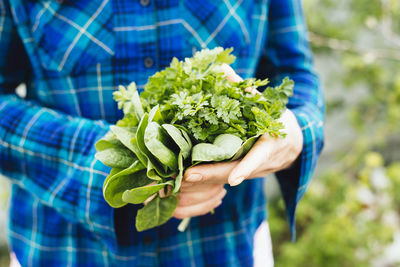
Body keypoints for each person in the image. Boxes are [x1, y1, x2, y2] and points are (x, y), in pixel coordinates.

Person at [0, 0, 324, 266]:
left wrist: (296, 132)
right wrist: (120, 166)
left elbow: (294, 74)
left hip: (228, 246)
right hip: (68, 251)